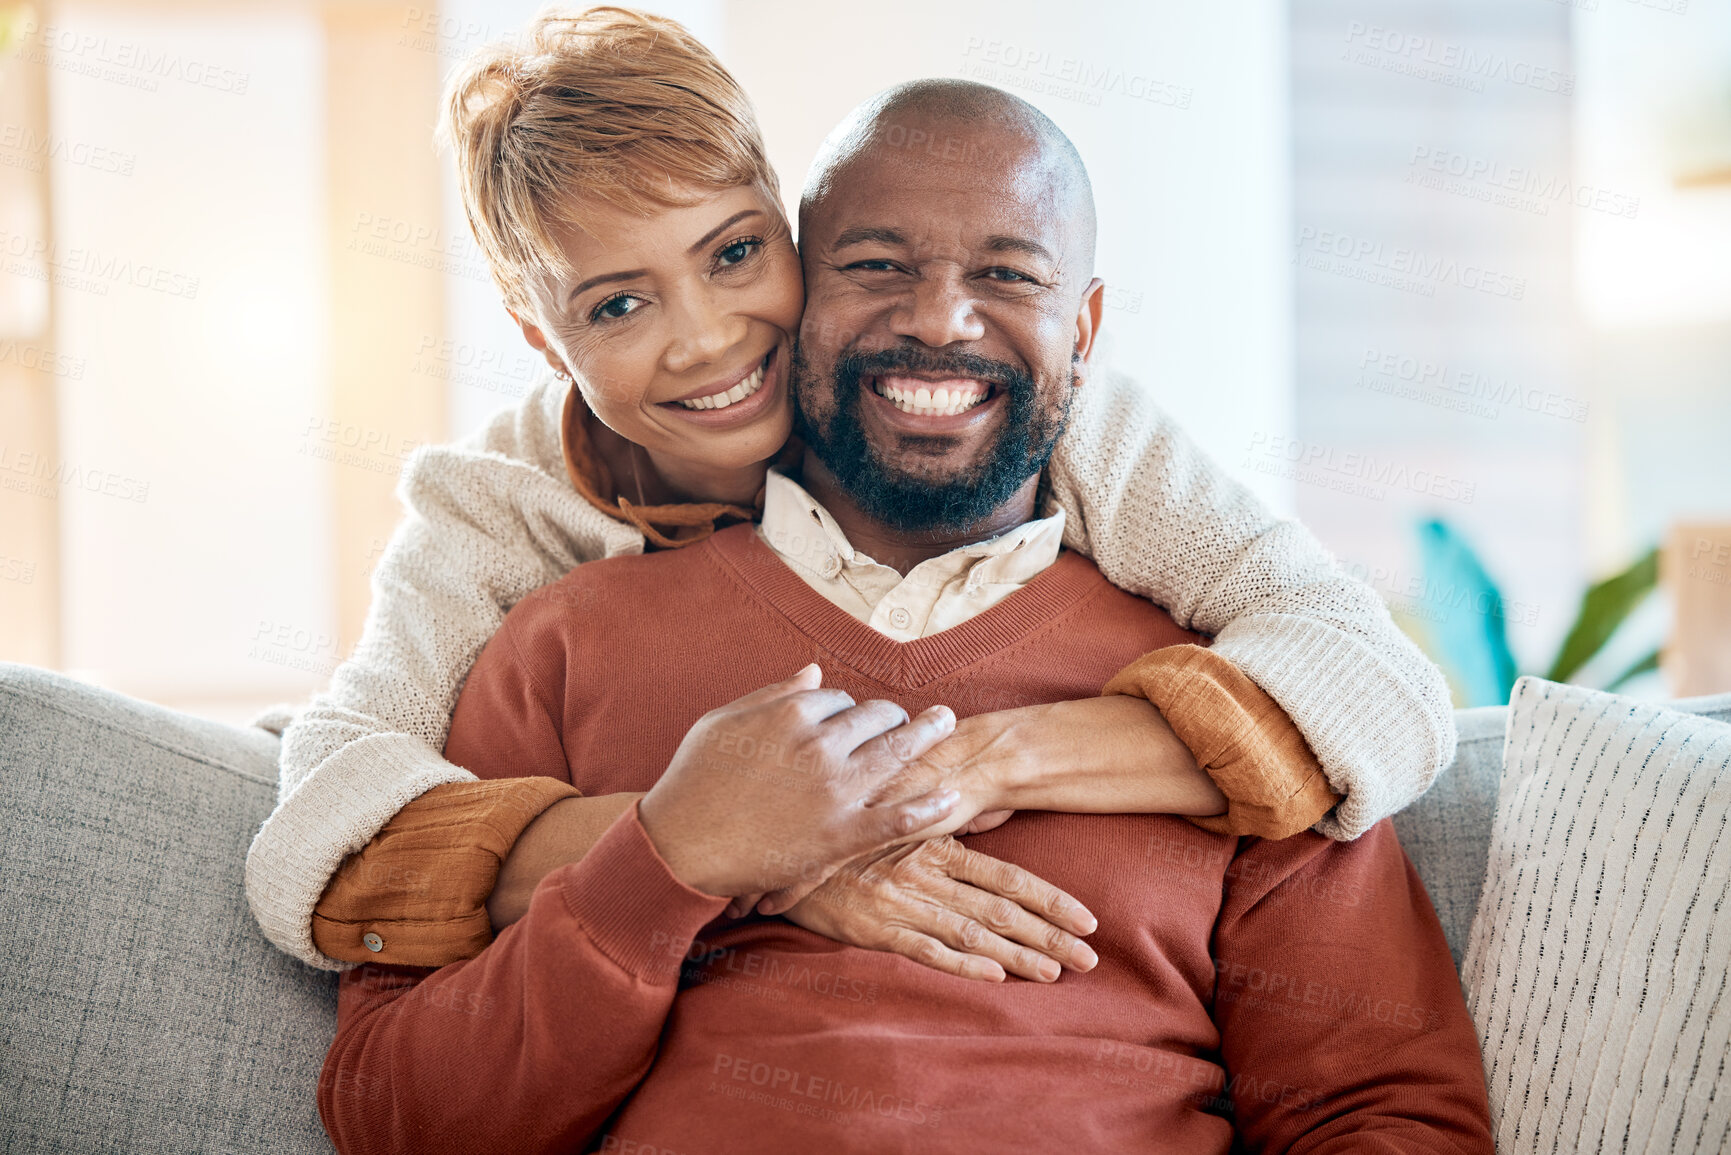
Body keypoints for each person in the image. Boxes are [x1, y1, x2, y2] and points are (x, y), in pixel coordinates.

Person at [317, 78, 1493, 1154]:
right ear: (801, 298)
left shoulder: (1261, 708)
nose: (942, 320)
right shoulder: (558, 638)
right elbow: (400, 1117)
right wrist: (668, 865)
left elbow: (1384, 1113)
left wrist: (950, 775)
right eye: (876, 266)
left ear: (1082, 334)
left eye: (1008, 275)